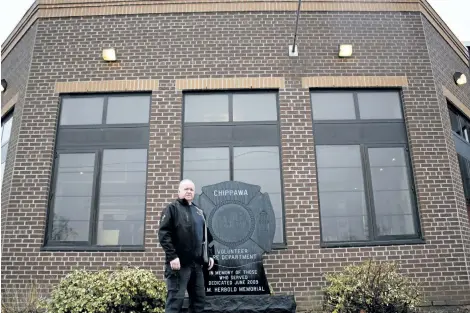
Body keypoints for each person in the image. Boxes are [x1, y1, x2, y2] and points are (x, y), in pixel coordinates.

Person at [158, 179, 214, 313]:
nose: (189, 191)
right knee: (175, 303)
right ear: (179, 192)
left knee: (199, 302)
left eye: (191, 189)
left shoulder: (199, 212)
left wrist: (210, 255)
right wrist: (172, 256)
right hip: (178, 265)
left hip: (197, 266)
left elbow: (207, 237)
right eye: (186, 189)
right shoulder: (172, 209)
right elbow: (164, 234)